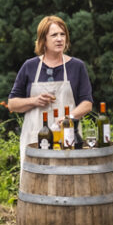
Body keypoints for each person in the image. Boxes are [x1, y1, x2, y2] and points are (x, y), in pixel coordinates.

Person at [7, 15, 93, 182]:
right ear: (43, 40)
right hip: (35, 137)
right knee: (36, 183)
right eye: (54, 35)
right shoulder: (29, 67)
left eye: (63, 34)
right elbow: (12, 104)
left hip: (68, 137)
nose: (60, 39)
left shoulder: (77, 66)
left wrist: (71, 117)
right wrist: (33, 101)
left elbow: (87, 103)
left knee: (69, 181)